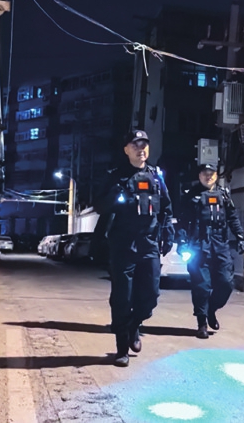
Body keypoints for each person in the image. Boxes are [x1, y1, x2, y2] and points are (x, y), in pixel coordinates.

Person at [93, 130, 174, 367]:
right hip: (123, 244)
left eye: (144, 145)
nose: (141, 149)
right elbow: (99, 206)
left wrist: (169, 232)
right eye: (136, 145)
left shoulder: (156, 176)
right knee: (122, 297)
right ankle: (121, 348)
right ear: (126, 149)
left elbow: (166, 207)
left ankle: (134, 324)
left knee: (150, 295)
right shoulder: (115, 176)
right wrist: (114, 195)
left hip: (149, 243)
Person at [176, 163, 244, 339]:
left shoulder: (224, 194)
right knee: (201, 286)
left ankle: (211, 309)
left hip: (220, 245)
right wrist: (181, 242)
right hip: (198, 245)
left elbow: (232, 217)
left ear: (216, 175)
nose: (208, 176)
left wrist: (240, 237)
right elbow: (183, 222)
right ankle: (202, 323)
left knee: (226, 283)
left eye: (211, 173)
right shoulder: (191, 196)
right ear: (199, 175)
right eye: (204, 173)